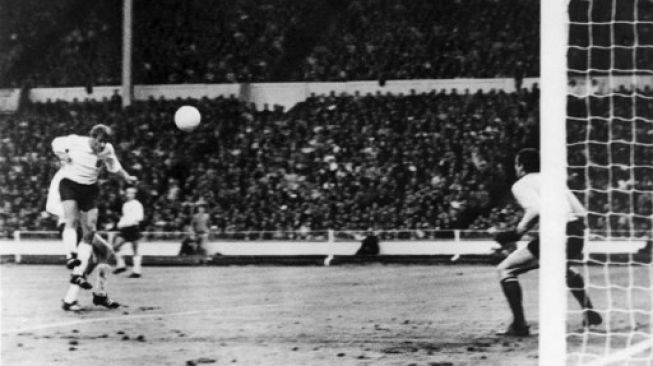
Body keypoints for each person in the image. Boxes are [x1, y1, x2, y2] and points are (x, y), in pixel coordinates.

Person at [494, 148, 602, 336]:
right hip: (575, 232)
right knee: (563, 270)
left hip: (557, 234)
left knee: (506, 269)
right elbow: (581, 211)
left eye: (516, 164)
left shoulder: (521, 184)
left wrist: (517, 232)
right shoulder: (554, 181)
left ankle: (519, 325)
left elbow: (536, 209)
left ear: (521, 165)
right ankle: (589, 313)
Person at [52, 124, 137, 311]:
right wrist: (61, 155)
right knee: (96, 256)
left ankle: (93, 294)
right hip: (70, 224)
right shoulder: (66, 174)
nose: (102, 145)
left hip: (82, 219)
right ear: (92, 137)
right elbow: (56, 143)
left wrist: (127, 178)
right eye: (99, 141)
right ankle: (75, 296)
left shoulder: (103, 154)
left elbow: (115, 167)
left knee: (104, 254)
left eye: (105, 142)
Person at [113, 187, 145, 278]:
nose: (128, 195)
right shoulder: (125, 204)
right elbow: (124, 216)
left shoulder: (137, 204)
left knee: (135, 249)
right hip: (125, 228)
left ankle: (137, 271)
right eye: (127, 193)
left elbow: (139, 217)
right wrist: (121, 224)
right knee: (115, 247)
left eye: (131, 193)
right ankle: (121, 265)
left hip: (133, 228)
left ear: (134, 195)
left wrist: (129, 222)